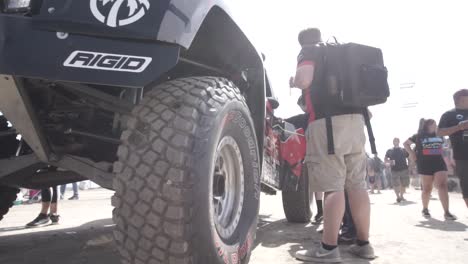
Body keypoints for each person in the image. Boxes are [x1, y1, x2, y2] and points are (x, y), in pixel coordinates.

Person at [291, 28, 374, 262]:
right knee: (357, 185)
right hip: (357, 122)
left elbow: (303, 79)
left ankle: (328, 249)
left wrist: (295, 81)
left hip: (327, 123)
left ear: (302, 42)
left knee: (332, 186)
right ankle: (364, 244)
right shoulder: (342, 53)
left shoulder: (310, 50)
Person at [404, 119, 457, 220]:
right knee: (427, 189)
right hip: (425, 164)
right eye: (433, 124)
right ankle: (425, 209)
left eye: (436, 124)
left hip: (439, 163)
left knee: (442, 185)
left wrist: (449, 163)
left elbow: (444, 149)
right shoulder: (418, 136)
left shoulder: (440, 135)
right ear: (427, 126)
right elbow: (406, 144)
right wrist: (412, 153)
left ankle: (447, 212)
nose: (436, 126)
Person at [438, 89, 468, 208]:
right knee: (466, 186)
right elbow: (439, 132)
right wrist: (459, 127)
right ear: (462, 99)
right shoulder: (449, 115)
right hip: (462, 157)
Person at [385, 138, 410, 203]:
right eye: (394, 141)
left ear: (399, 142)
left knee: (404, 184)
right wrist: (389, 162)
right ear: (393, 142)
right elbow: (385, 159)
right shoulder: (389, 151)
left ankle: (401, 196)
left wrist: (410, 166)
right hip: (394, 170)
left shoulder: (403, 150)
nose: (395, 142)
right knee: (395, 184)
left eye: (396, 141)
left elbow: (409, 157)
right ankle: (398, 197)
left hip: (404, 169)